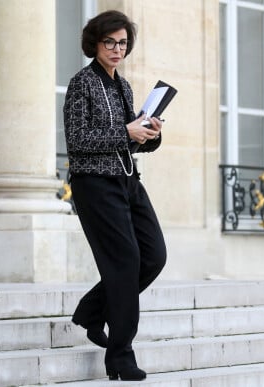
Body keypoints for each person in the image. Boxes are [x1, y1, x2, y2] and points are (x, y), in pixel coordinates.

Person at [63, 10, 167, 381]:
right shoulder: (82, 84)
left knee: (154, 255)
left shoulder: (122, 86)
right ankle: (120, 357)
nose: (117, 49)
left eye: (123, 43)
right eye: (110, 42)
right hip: (94, 185)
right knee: (124, 264)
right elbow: (78, 141)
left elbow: (130, 143)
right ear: (95, 43)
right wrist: (127, 132)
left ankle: (93, 309)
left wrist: (149, 133)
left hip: (127, 182)